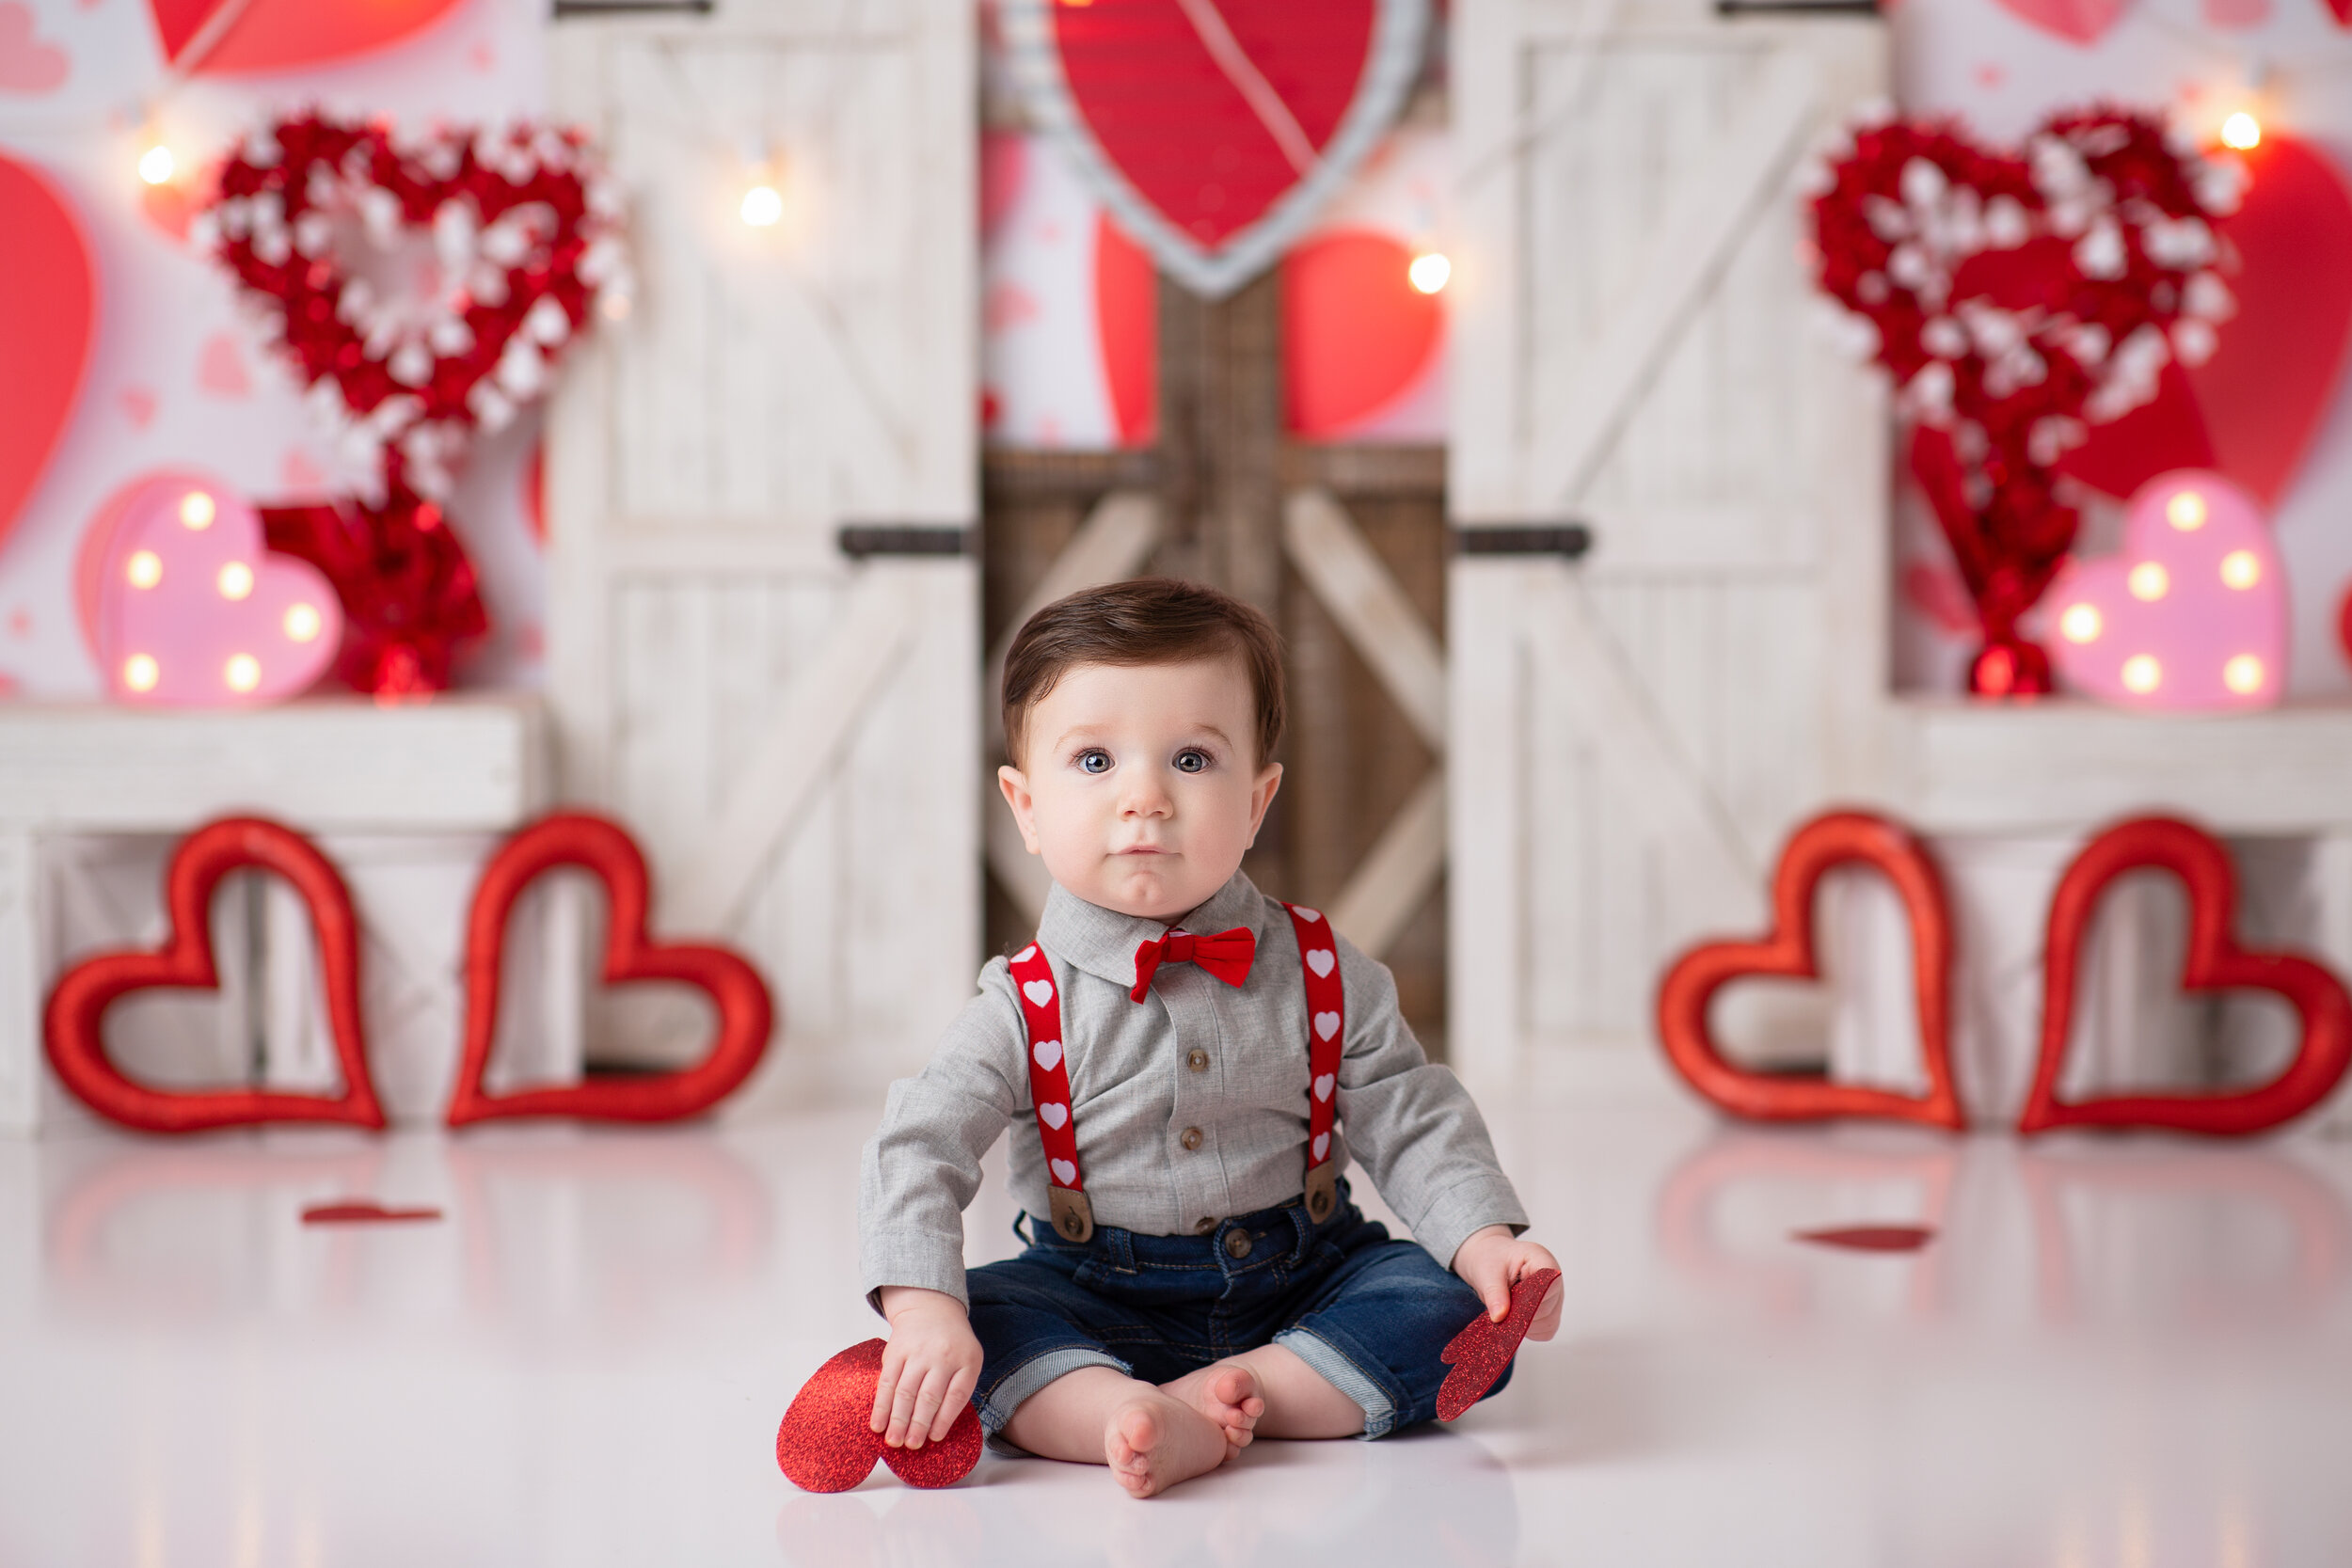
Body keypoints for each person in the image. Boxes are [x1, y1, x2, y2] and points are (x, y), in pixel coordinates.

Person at [859, 578, 1561, 1497]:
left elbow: (1413, 1115)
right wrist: (924, 1312)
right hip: (1092, 1286)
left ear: (1258, 797)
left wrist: (1486, 1244)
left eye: (1191, 759)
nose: (1144, 798)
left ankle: (1214, 1398)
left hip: (1304, 1271)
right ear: (1024, 805)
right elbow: (921, 1141)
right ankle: (1120, 1408)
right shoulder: (1022, 1001)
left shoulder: (1321, 965)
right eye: (1095, 761)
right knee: (988, 1318)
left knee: (1443, 1313)